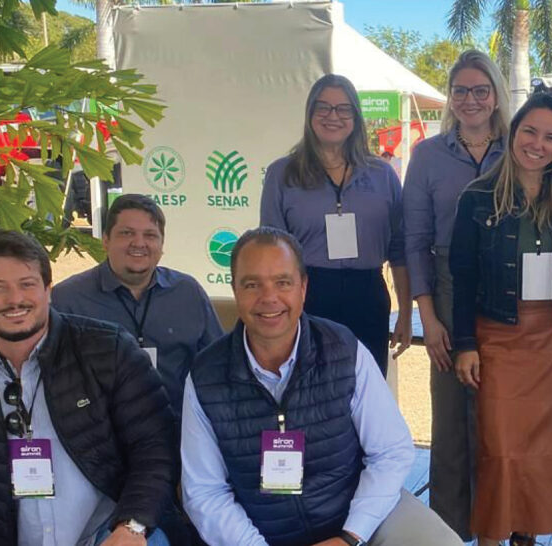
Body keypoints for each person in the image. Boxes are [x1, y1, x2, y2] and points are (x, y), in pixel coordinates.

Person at [180, 226, 462, 546]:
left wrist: (350, 536)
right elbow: (204, 491)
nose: (269, 297)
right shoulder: (206, 377)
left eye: (283, 282)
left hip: (355, 518)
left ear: (303, 287)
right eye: (252, 284)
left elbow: (390, 452)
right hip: (258, 533)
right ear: (235, 290)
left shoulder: (343, 350)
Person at [0, 230, 176, 546]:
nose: (14, 299)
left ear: (48, 290)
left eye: (27, 284)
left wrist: (132, 526)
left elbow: (155, 448)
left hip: (110, 534)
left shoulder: (109, 351)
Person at [451, 92, 552, 546]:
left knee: (544, 450)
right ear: (513, 134)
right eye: (530, 131)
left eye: (550, 137)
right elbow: (462, 276)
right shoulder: (477, 198)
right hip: (499, 336)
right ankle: (492, 538)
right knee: (501, 449)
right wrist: (465, 343)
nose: (538, 144)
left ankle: (526, 535)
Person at [402, 49, 509, 541]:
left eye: (480, 90)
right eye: (460, 90)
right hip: (445, 286)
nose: (470, 100)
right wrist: (429, 318)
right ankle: (447, 529)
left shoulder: (517, 148)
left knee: (497, 412)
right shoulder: (427, 156)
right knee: (448, 414)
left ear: (496, 95)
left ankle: (495, 521)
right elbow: (414, 240)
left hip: (505, 285)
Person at [261, 74, 411, 376]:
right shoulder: (282, 174)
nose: (333, 116)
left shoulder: (382, 175)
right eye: (324, 107)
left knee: (365, 389)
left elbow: (399, 251)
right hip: (307, 296)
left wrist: (406, 314)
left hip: (367, 295)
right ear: (310, 113)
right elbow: (271, 254)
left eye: (343, 109)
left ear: (355, 116)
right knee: (307, 389)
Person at [52, 194, 223, 417]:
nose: (139, 243)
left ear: (162, 244)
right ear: (106, 240)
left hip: (177, 428)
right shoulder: (69, 299)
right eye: (127, 233)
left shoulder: (188, 293)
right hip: (100, 430)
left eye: (150, 235)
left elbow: (218, 363)